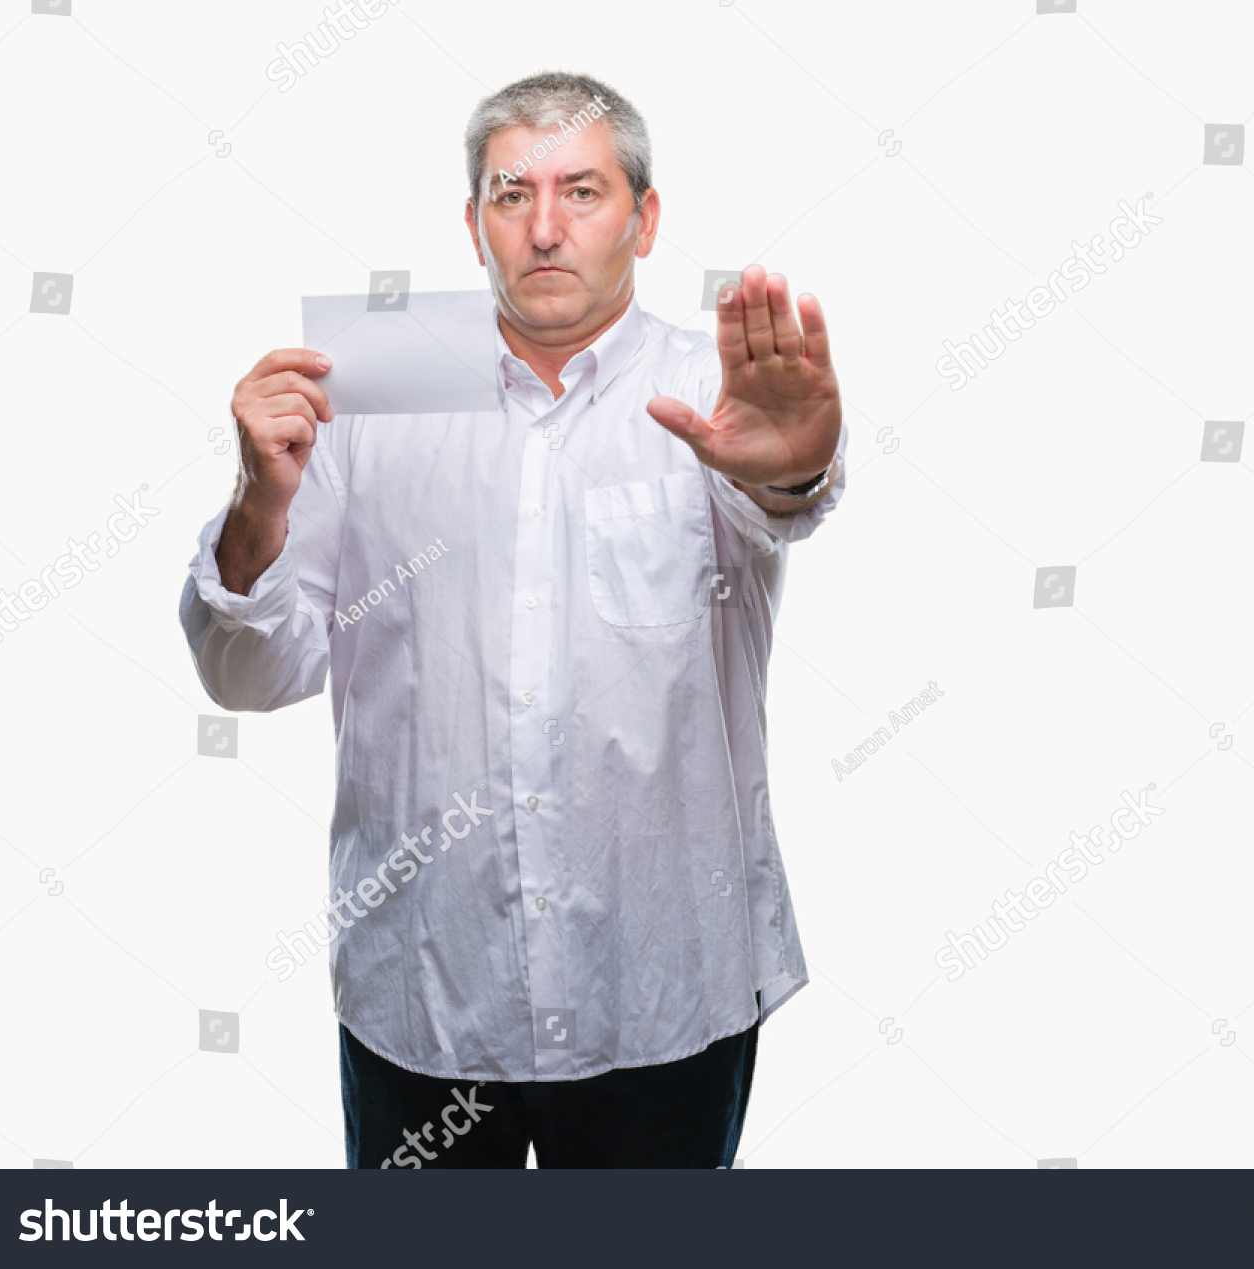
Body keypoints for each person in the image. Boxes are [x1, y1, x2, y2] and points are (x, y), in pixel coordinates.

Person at [179, 70, 847, 1168]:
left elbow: (786, 499)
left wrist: (794, 468)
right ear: (472, 221)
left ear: (645, 217)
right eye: (510, 194)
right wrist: (259, 501)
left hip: (665, 990)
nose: (544, 227)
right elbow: (251, 676)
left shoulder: (714, 390)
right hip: (428, 989)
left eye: (582, 191)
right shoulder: (365, 397)